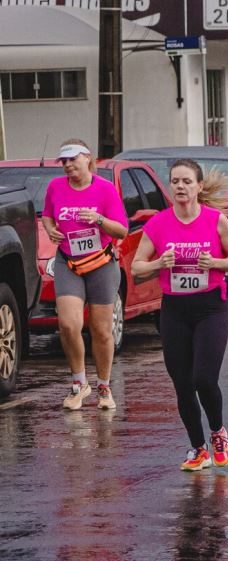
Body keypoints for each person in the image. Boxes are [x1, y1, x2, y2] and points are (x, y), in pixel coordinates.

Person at [132, 160, 228, 471]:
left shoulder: (216, 220)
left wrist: (215, 263)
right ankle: (198, 448)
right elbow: (137, 267)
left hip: (210, 307)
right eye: (175, 182)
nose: (180, 186)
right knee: (182, 384)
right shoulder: (158, 223)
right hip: (174, 310)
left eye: (186, 181)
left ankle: (218, 433)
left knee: (204, 379)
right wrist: (159, 264)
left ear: (198, 186)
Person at [41, 140, 128, 411]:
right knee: (68, 325)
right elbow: (47, 215)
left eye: (72, 160)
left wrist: (98, 219)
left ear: (88, 159)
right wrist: (51, 229)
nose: (67, 166)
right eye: (63, 162)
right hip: (68, 262)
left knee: (101, 330)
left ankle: (103, 386)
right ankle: (79, 383)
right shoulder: (55, 187)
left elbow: (122, 230)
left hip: (101, 263)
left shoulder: (105, 189)